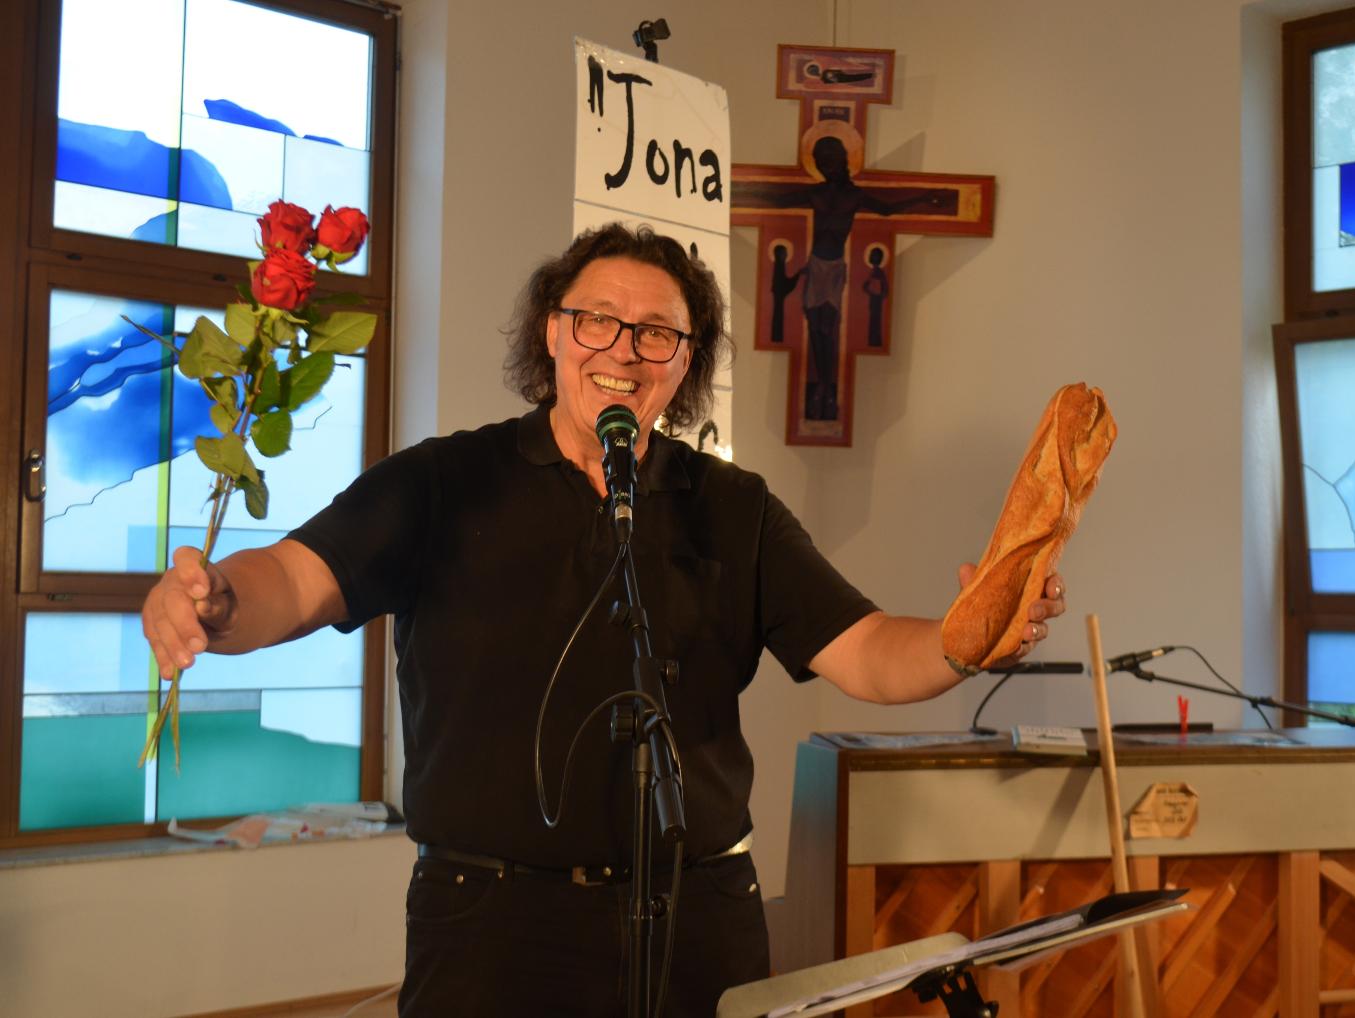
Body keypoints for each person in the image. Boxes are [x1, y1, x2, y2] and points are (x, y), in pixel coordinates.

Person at [139, 223, 1066, 1016]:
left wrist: (967, 635)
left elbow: (866, 652)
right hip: (490, 929)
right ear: (552, 334)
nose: (623, 349)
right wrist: (216, 599)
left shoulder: (732, 507)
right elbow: (298, 582)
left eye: (657, 332)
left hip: (698, 917)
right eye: (598, 321)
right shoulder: (441, 484)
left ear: (685, 364)